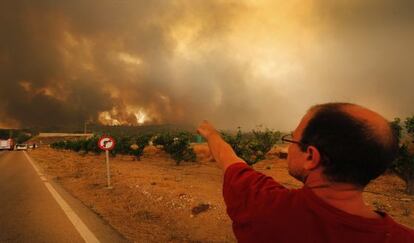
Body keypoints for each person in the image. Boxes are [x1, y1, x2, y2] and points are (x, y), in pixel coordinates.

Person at [197, 102, 414, 243]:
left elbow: (228, 159)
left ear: (311, 157)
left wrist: (211, 134)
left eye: (292, 138)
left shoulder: (265, 207)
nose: (289, 147)